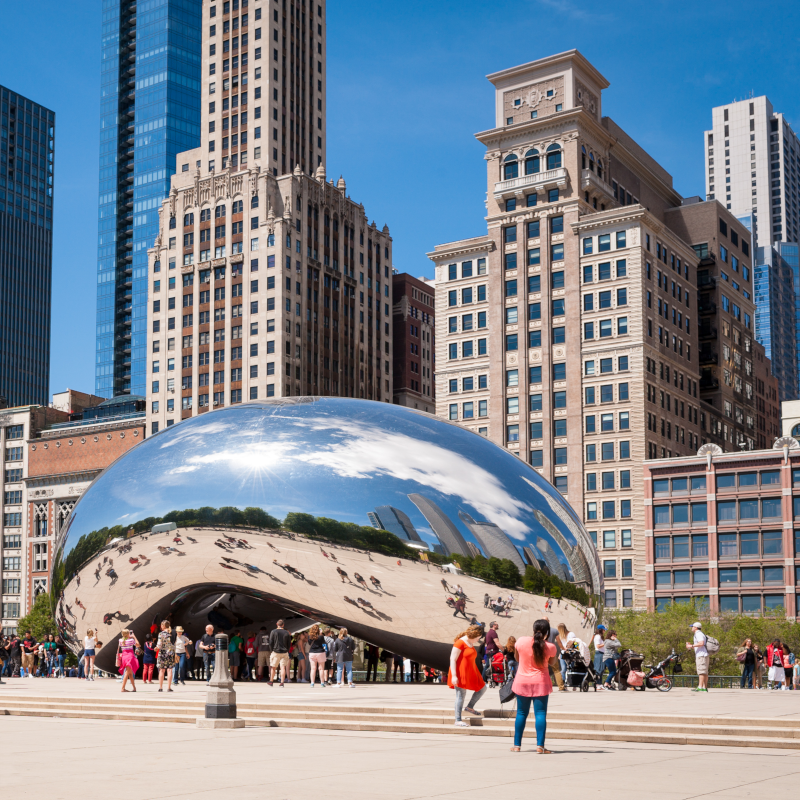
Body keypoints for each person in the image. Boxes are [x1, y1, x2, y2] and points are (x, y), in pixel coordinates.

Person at [510, 618, 557, 753]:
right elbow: (552, 663)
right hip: (540, 682)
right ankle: (540, 746)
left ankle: (517, 745)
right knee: (540, 714)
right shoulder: (551, 647)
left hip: (522, 681)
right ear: (547, 632)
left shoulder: (521, 641)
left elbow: (517, 658)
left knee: (521, 713)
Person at [448, 624, 487, 727]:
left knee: (482, 688)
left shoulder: (470, 642)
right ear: (473, 635)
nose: (478, 640)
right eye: (478, 638)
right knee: (460, 695)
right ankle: (458, 720)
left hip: (471, 671)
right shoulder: (460, 642)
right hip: (460, 672)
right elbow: (453, 659)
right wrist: (454, 675)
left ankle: (470, 707)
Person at [685, 622, 709, 692]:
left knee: (701, 671)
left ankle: (700, 687)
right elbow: (700, 645)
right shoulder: (700, 634)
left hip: (701, 655)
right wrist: (692, 646)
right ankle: (704, 687)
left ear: (695, 627)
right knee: (704, 672)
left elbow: (701, 643)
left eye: (692, 627)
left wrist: (691, 646)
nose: (691, 628)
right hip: (703, 654)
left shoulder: (698, 634)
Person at [268, 619, 292, 686]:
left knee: (273, 667)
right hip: (284, 652)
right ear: (283, 625)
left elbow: (271, 642)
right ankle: (282, 682)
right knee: (283, 667)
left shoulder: (273, 631)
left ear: (277, 624)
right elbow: (289, 643)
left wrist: (271, 650)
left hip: (276, 651)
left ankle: (271, 681)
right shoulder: (286, 632)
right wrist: (287, 650)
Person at [156, 620, 176, 692]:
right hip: (170, 653)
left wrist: (156, 648)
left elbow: (159, 644)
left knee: (161, 670)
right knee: (170, 670)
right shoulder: (173, 633)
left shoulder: (161, 634)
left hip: (162, 653)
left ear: (163, 626)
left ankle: (160, 687)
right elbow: (175, 644)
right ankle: (169, 687)